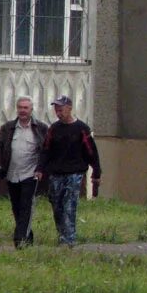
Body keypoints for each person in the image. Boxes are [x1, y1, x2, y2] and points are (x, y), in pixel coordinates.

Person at [35, 95, 101, 246]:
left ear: (70, 108)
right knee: (56, 204)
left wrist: (96, 172)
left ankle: (69, 239)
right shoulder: (54, 129)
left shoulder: (81, 129)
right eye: (56, 110)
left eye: (61, 109)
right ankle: (62, 234)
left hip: (75, 173)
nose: (59, 112)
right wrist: (40, 169)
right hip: (56, 173)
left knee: (69, 204)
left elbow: (91, 152)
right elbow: (46, 150)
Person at [0, 96, 48, 248]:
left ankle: (20, 239)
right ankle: (27, 238)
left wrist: (41, 168)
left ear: (31, 110)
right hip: (12, 174)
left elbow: (47, 150)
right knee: (16, 207)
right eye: (20, 107)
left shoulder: (40, 128)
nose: (22, 111)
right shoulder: (8, 127)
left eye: (25, 108)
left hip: (31, 175)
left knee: (26, 206)